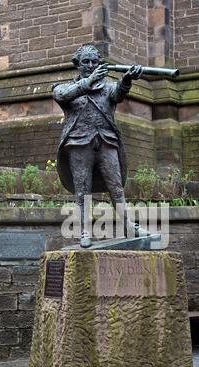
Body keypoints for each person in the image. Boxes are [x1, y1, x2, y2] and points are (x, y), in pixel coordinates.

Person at [52, 44, 150, 247]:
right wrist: (88, 82)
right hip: (79, 143)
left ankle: (128, 225)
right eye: (85, 62)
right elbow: (62, 96)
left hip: (106, 141)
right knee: (82, 190)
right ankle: (85, 231)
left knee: (116, 188)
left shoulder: (107, 88)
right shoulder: (63, 88)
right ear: (77, 64)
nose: (90, 65)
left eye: (94, 62)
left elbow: (118, 94)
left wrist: (127, 79)